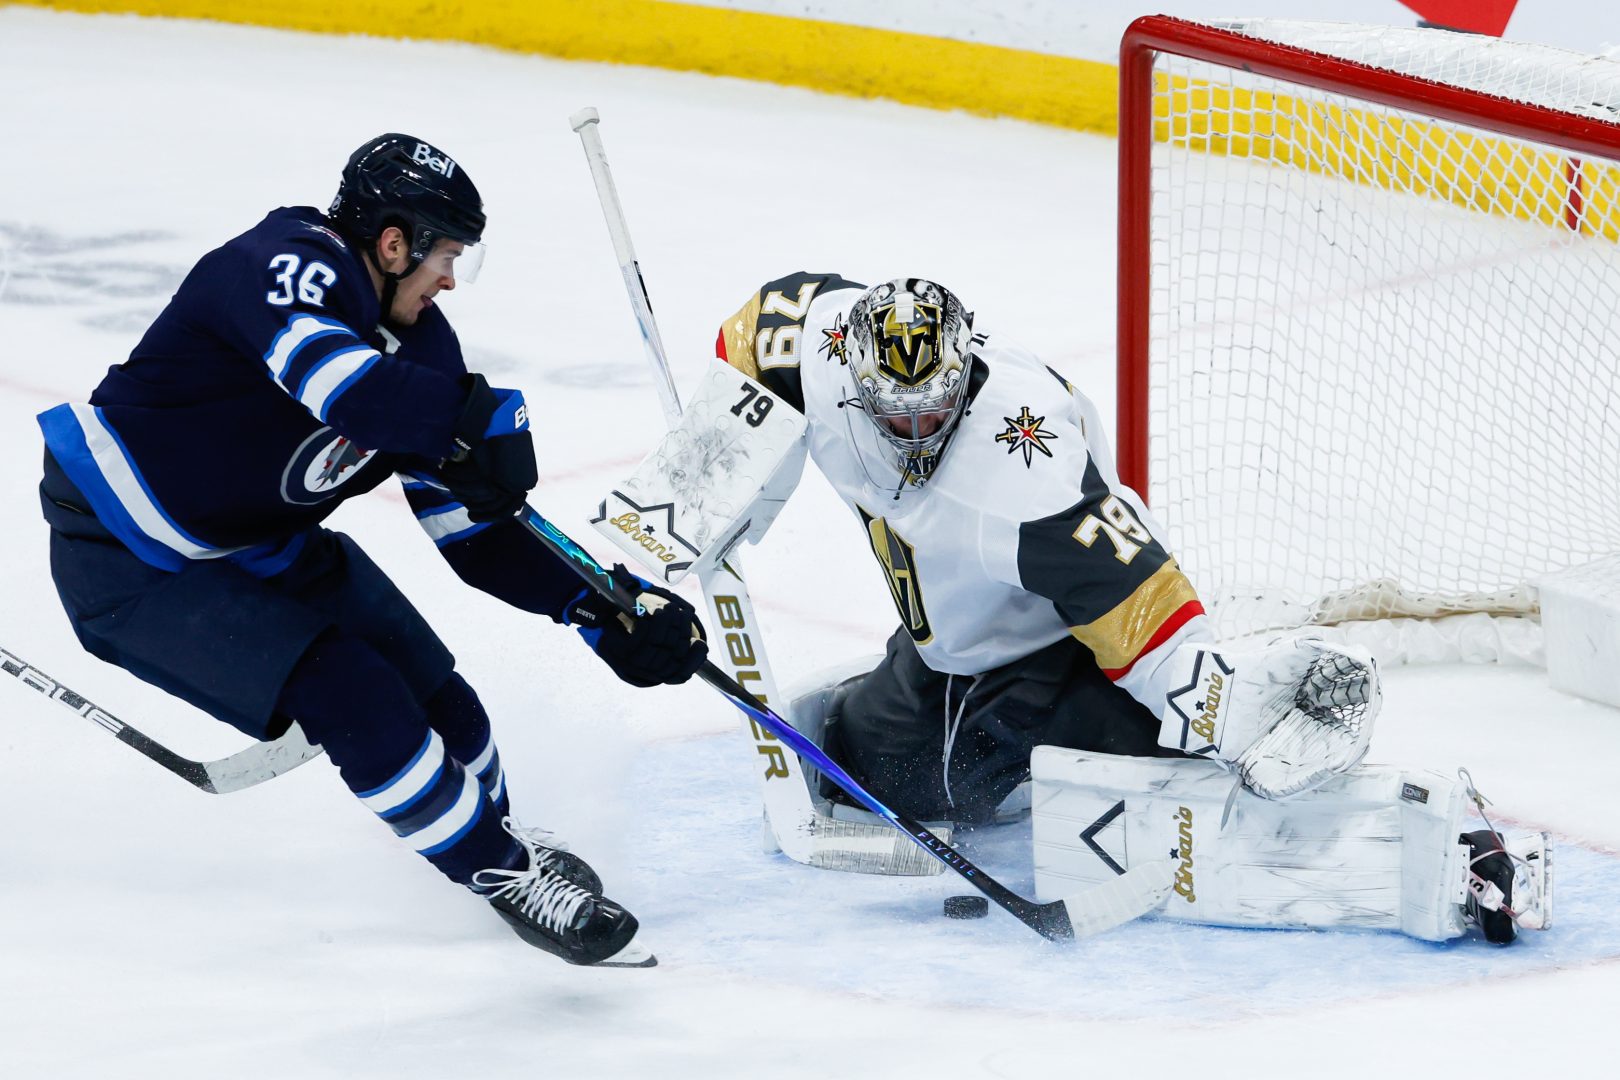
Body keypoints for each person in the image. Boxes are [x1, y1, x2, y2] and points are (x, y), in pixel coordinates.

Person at [711, 273, 1549, 943]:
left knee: (1194, 771)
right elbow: (744, 344)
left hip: (1057, 650)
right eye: (895, 413)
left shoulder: (1022, 474)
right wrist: (705, 497)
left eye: (935, 408)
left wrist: (1223, 711)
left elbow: (1139, 607)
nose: (916, 430)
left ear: (967, 373)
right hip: (948, 654)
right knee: (860, 770)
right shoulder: (813, 344)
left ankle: (1452, 845)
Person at [35, 133, 707, 968]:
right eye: (445, 256)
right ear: (394, 242)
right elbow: (341, 387)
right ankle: (501, 873)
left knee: (436, 691)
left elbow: (474, 534)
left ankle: (495, 839)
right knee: (347, 686)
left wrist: (602, 606)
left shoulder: (426, 349)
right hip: (130, 553)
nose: (450, 280)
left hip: (260, 540)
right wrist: (464, 419)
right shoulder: (285, 264)